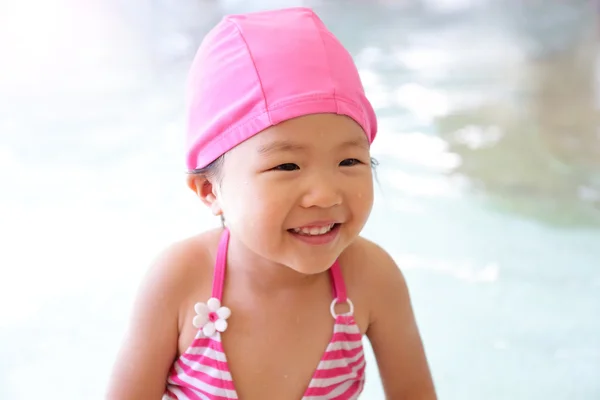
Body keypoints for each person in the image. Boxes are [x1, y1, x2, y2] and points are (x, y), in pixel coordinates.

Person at [107, 7, 436, 400]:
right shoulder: (178, 281)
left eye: (349, 161)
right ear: (210, 191)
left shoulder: (372, 279)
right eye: (287, 165)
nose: (326, 194)